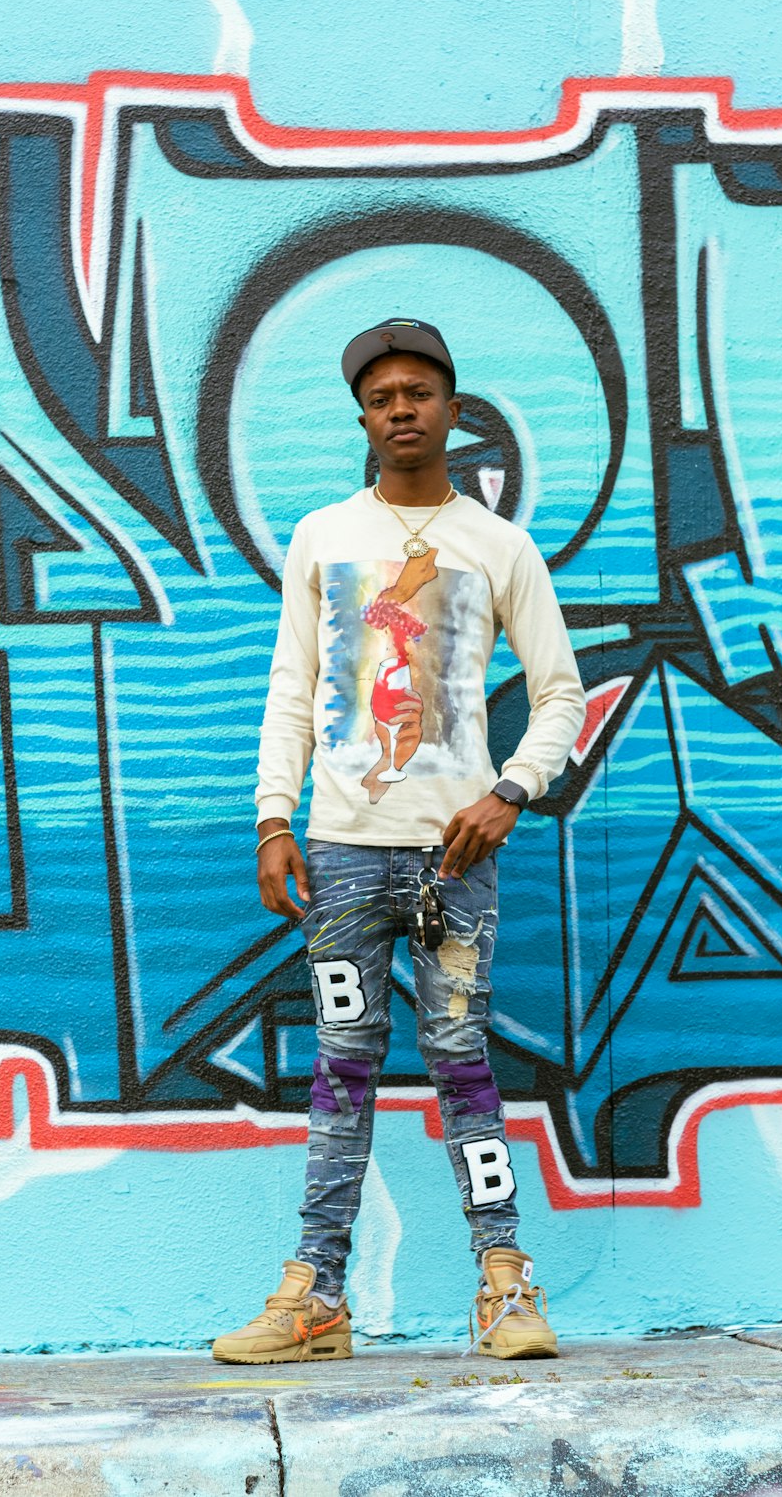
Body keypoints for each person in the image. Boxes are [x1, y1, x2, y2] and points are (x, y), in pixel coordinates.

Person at [212, 318, 586, 1365]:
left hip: (453, 862)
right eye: (382, 399)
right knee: (341, 1069)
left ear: (453, 411)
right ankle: (317, 1297)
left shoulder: (499, 547)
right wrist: (272, 818)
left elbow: (560, 696)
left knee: (463, 1060)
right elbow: (291, 689)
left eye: (419, 392)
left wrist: (509, 792)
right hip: (336, 854)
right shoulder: (323, 536)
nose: (402, 410)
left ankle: (504, 1282)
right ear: (364, 421)